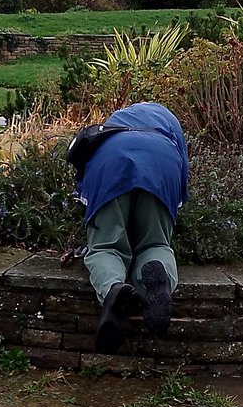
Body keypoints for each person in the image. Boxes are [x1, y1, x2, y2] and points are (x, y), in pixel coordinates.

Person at [77, 102, 189, 354]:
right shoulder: (171, 125)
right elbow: (181, 180)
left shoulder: (113, 125)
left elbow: (84, 178)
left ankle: (113, 289)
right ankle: (157, 279)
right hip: (162, 162)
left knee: (105, 246)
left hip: (111, 160)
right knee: (156, 244)